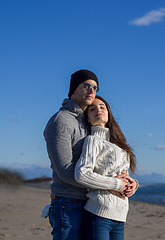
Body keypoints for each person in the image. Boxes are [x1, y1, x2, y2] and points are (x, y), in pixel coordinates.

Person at [42, 69, 100, 240]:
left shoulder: (87, 121)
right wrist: (109, 185)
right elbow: (66, 171)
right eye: (86, 86)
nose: (92, 91)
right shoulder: (61, 121)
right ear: (74, 88)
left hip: (89, 202)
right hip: (67, 203)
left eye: (96, 88)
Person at [74, 95, 138, 240]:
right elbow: (82, 174)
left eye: (102, 107)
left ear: (109, 113)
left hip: (120, 215)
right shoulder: (93, 140)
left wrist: (133, 184)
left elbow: (122, 174)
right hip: (98, 213)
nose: (99, 110)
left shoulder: (119, 144)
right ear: (88, 118)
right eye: (92, 108)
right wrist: (117, 184)